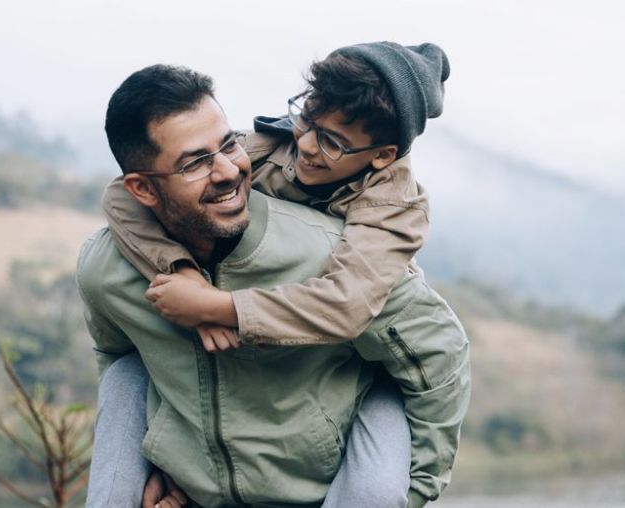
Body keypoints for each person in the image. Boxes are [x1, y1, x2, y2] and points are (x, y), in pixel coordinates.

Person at [79, 63, 470, 507]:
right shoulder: (274, 149)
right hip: (196, 486)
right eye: (195, 163)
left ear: (382, 155)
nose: (227, 170)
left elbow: (412, 337)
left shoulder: (366, 229)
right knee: (125, 374)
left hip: (339, 452)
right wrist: (178, 270)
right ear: (144, 189)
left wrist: (220, 307)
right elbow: (117, 198)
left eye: (227, 145)